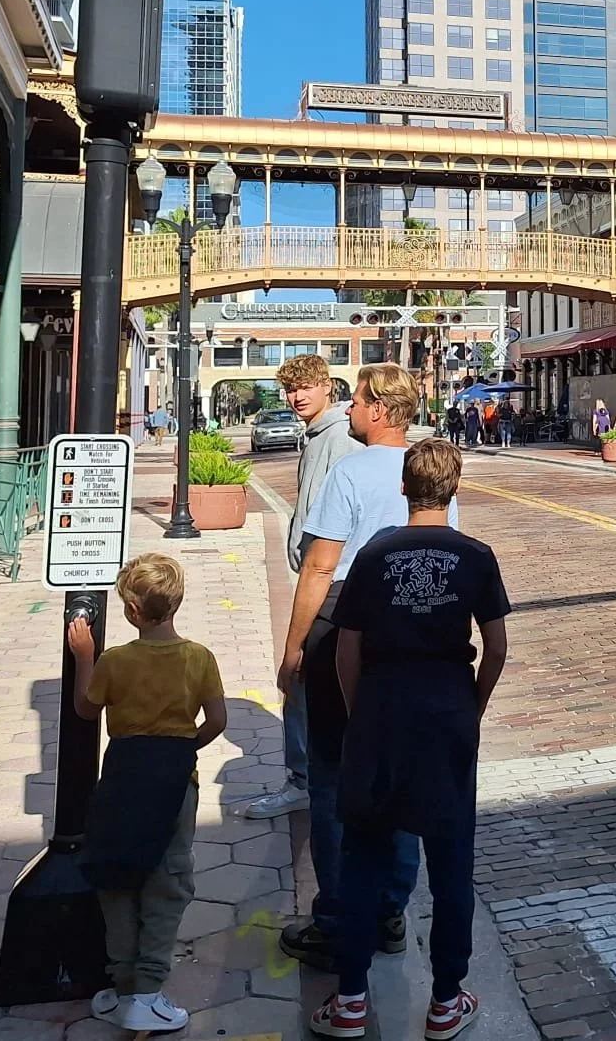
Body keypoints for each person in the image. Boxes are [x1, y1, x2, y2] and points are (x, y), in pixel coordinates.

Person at [309, 438, 508, 1041]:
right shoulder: (475, 555)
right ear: (454, 488)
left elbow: (346, 648)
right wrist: (473, 706)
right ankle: (446, 1000)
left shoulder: (374, 553)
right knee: (451, 862)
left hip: (381, 706)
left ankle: (349, 998)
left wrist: (358, 711)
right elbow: (496, 648)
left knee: (363, 853)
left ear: (404, 487)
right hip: (446, 707)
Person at [278, 364, 459, 973]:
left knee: (333, 776)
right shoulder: (426, 473)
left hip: (344, 618)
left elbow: (319, 566)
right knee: (398, 770)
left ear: (379, 409)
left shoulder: (350, 470)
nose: (349, 410)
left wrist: (293, 648)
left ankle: (336, 916)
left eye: (355, 400)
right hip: (411, 620)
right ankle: (389, 909)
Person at [67, 553, 226, 1035]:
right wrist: (183, 748)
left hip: (122, 778)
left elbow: (85, 710)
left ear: (132, 611)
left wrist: (84, 656)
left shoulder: (115, 661)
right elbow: (217, 721)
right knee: (167, 878)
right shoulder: (198, 658)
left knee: (116, 875)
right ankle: (149, 991)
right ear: (177, 603)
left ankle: (122, 984)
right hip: (175, 783)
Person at [241, 355, 362, 822]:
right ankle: (314, 775)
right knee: (313, 679)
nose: (297, 396)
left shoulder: (338, 437)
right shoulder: (317, 434)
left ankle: (307, 780)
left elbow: (336, 515)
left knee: (300, 673)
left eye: (306, 386)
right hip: (325, 572)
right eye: (291, 389)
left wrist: (315, 566)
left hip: (329, 577)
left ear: (328, 386)